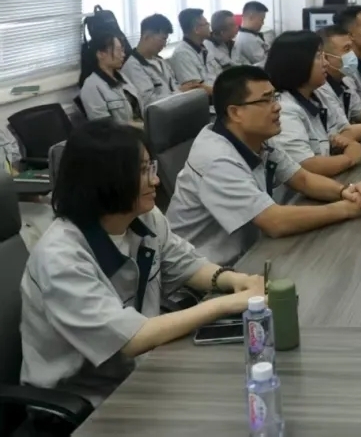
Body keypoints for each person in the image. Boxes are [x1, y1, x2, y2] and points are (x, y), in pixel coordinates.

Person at [20, 119, 264, 406]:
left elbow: (185, 263)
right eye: (142, 171)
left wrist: (234, 280)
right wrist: (225, 304)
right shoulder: (60, 257)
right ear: (105, 179)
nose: (155, 180)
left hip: (139, 370)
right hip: (86, 401)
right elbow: (129, 339)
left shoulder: (143, 216)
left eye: (152, 167)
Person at [166, 66, 361, 265]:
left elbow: (303, 179)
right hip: (204, 274)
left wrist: (347, 192)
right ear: (235, 112)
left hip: (250, 254)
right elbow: (275, 222)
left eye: (275, 97)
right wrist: (346, 209)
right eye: (266, 100)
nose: (277, 107)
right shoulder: (216, 159)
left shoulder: (256, 139)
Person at [263, 30, 361, 178]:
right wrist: (349, 158)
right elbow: (307, 166)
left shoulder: (319, 94)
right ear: (297, 63)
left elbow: (345, 132)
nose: (326, 63)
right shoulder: (284, 109)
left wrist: (349, 144)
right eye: (318, 57)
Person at [79, 33, 143, 128]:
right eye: (118, 51)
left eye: (122, 50)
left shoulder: (121, 77)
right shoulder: (91, 86)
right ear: (101, 54)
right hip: (123, 135)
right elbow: (104, 126)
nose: (123, 55)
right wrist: (140, 126)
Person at [121, 14, 183, 106]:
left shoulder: (161, 61)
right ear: (146, 36)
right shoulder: (133, 66)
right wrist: (180, 93)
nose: (164, 45)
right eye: (163, 39)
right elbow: (150, 103)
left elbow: (175, 86)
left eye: (166, 40)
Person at [169, 8, 215, 92]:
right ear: (196, 29)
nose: (209, 26)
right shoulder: (182, 54)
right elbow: (196, 88)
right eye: (206, 24)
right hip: (209, 97)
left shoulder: (204, 47)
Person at [234, 1, 269, 66]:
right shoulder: (246, 39)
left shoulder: (250, 35)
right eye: (262, 19)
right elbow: (266, 62)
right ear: (251, 17)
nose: (263, 23)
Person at [205, 9, 237, 78]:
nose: (236, 27)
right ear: (222, 32)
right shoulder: (207, 48)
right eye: (232, 25)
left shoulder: (232, 43)